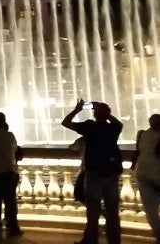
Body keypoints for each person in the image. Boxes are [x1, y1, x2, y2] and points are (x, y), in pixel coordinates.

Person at [62, 100, 123, 244]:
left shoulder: (89, 127)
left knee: (93, 210)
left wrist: (77, 109)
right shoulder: (114, 127)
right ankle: (114, 240)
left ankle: (90, 240)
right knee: (113, 210)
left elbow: (66, 122)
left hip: (94, 173)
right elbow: (117, 122)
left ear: (95, 114)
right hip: (112, 172)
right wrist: (107, 113)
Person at [132, 114, 160, 241]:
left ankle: (158, 232)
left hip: (143, 173)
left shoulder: (142, 134)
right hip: (156, 173)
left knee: (150, 208)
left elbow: (138, 151)